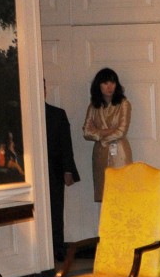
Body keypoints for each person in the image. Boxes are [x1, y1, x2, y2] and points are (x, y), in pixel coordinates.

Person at [82, 67, 132, 202]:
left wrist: (101, 138)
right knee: (104, 194)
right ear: (98, 86)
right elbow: (86, 132)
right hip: (100, 154)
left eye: (112, 82)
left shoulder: (124, 104)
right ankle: (107, 223)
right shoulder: (93, 106)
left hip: (120, 153)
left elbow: (121, 131)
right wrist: (107, 131)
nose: (109, 87)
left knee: (121, 193)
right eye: (105, 83)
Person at [45, 98, 81, 262]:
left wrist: (68, 170)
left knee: (56, 209)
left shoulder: (57, 114)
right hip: (32, 170)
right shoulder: (25, 113)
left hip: (55, 170)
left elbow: (66, 144)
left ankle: (58, 248)